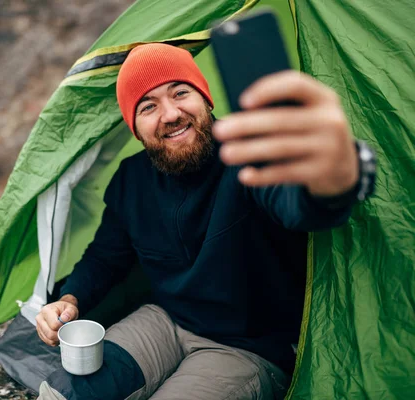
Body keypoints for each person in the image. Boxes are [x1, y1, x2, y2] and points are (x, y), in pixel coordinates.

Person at [35, 43, 376, 400]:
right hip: (165, 320)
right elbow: (106, 255)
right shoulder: (131, 180)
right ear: (134, 127)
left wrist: (337, 174)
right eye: (148, 106)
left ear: (206, 98)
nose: (170, 114)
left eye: (180, 92)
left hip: (247, 345)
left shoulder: (248, 152)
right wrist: (68, 298)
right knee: (67, 391)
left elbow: (300, 203)